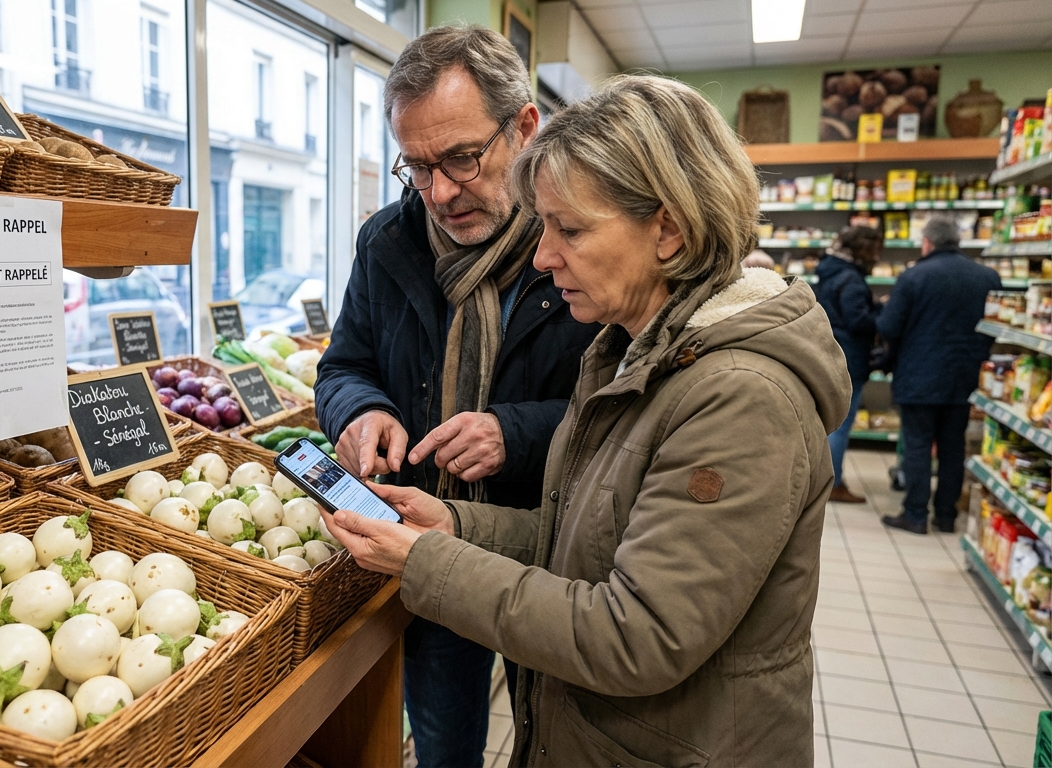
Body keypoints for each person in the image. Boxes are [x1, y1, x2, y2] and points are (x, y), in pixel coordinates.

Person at [321, 75, 849, 767]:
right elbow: (584, 537)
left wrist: (427, 560)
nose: (543, 257)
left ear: (668, 228)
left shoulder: (739, 398)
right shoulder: (629, 348)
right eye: (543, 228)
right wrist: (457, 524)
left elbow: (636, 635)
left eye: (568, 230)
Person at [313, 24, 601, 768]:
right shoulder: (387, 242)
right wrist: (361, 410)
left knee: (560, 735)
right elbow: (344, 366)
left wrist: (517, 432)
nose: (439, 192)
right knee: (446, 744)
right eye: (416, 168)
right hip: (428, 538)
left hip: (554, 547)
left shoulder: (582, 242)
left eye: (462, 158)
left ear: (526, 128)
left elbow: (621, 413)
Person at [878, 215, 1000, 534]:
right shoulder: (987, 277)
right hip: (965, 374)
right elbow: (993, 328)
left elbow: (889, 326)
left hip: (919, 373)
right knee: (952, 445)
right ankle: (946, 516)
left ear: (927, 243)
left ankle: (915, 513)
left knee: (918, 444)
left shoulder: (914, 276)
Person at [815, 226, 884, 503]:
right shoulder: (851, 279)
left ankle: (821, 480)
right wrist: (881, 312)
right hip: (849, 358)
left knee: (827, 422)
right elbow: (857, 322)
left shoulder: (829, 271)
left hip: (829, 351)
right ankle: (834, 484)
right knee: (840, 424)